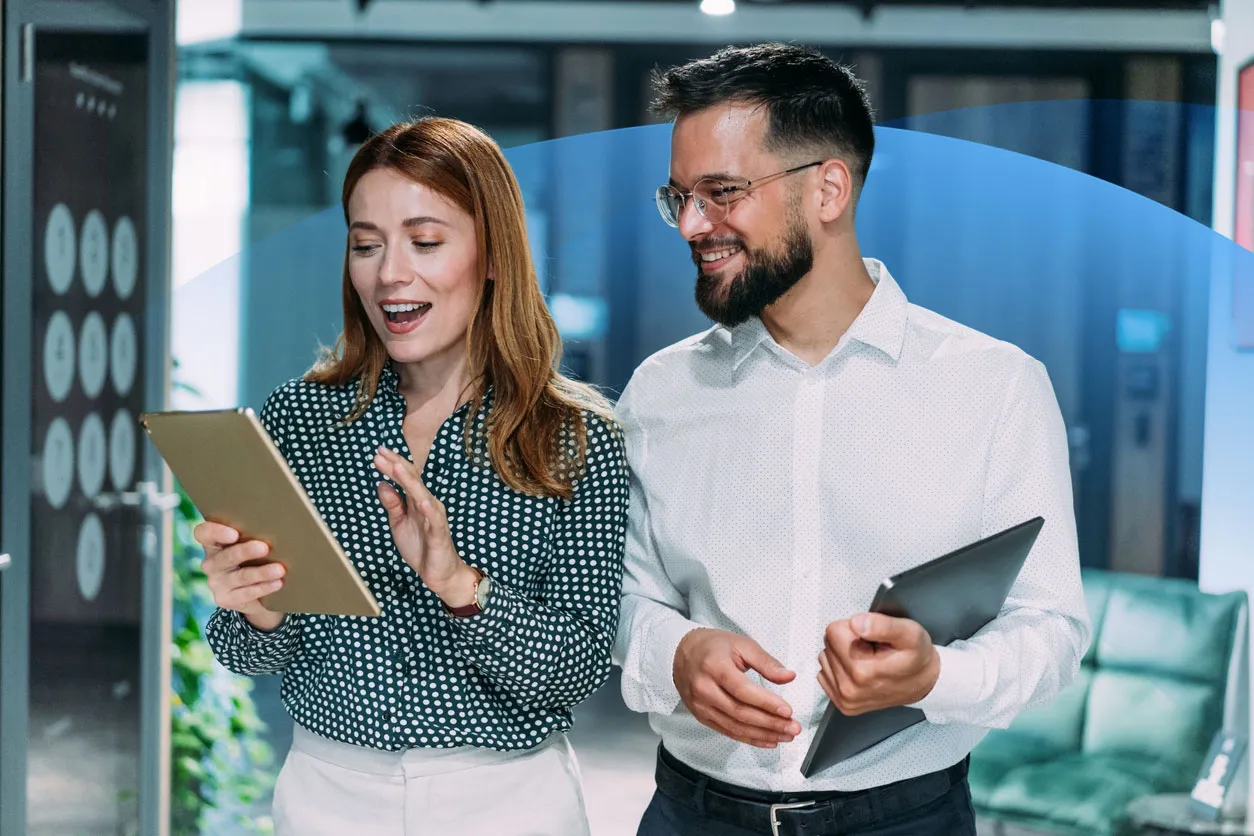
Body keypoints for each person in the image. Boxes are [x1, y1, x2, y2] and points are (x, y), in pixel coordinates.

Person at [613, 42, 1091, 836]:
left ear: (828, 188)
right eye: (680, 197)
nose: (694, 225)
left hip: (909, 818)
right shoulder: (659, 393)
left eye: (723, 192)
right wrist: (677, 652)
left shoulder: (996, 388)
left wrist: (937, 673)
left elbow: (1052, 630)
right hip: (692, 815)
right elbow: (622, 596)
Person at [197, 116, 629, 836]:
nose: (390, 272)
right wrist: (253, 607)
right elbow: (249, 653)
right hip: (326, 795)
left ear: (493, 254)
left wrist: (459, 584)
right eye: (366, 244)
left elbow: (576, 671)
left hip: (508, 803)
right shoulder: (300, 419)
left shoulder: (571, 437)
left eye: (425, 242)